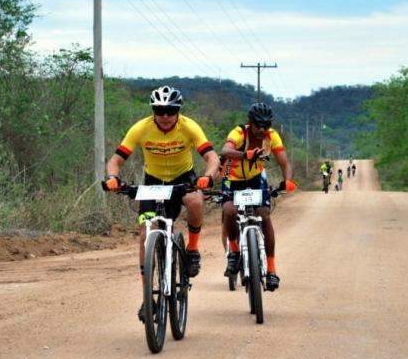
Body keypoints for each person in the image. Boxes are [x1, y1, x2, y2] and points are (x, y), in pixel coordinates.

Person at [104, 86, 220, 322]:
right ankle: (149, 298)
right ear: (153, 110)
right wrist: (113, 178)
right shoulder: (141, 128)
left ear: (178, 111)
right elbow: (116, 160)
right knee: (146, 233)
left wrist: (208, 175)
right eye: (160, 110)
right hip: (153, 182)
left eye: (170, 110)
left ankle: (193, 250)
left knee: (196, 200)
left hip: (183, 179)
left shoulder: (188, 126)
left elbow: (212, 157)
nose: (165, 115)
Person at [220, 103, 296, 291]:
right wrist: (245, 154)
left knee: (264, 213)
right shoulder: (239, 133)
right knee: (229, 210)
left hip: (255, 178)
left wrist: (288, 180)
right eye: (257, 125)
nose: (261, 129)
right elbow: (225, 151)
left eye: (266, 125)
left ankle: (271, 270)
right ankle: (234, 253)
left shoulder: (272, 136)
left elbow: (284, 162)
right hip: (232, 176)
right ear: (250, 123)